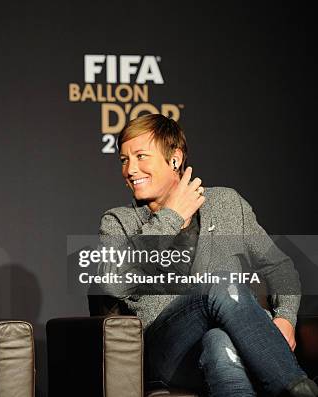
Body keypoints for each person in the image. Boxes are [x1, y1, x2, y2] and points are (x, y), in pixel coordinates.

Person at [96, 114, 318, 396]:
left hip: (233, 342)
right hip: (168, 351)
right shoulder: (118, 221)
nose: (130, 169)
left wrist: (285, 318)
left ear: (175, 159)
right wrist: (171, 217)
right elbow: (113, 282)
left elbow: (280, 268)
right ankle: (294, 387)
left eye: (141, 156)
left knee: (218, 342)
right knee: (222, 283)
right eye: (124, 160)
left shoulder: (227, 203)